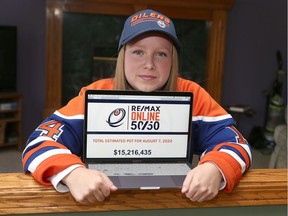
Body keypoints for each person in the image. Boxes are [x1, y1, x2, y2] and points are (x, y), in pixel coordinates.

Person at [22, 9, 252, 205]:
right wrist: (73, 173)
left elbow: (237, 143)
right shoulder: (95, 94)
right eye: (138, 52)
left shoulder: (193, 94)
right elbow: (37, 144)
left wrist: (215, 167)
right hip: (108, 202)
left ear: (173, 61)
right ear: (123, 56)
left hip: (175, 201)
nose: (149, 64)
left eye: (161, 54)